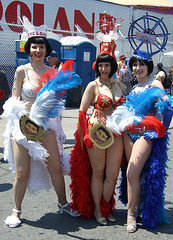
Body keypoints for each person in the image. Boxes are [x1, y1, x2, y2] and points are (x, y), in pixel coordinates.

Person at [3, 16, 80, 228]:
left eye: (42, 47)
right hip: (23, 128)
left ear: (46, 50)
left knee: (55, 167)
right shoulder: (21, 71)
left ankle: (63, 203)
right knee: (22, 172)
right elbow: (14, 99)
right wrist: (16, 123)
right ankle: (16, 210)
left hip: (46, 128)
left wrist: (60, 126)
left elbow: (57, 105)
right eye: (34, 47)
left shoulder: (53, 73)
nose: (38, 50)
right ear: (29, 49)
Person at [107, 51, 173, 232]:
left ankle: (130, 215)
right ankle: (136, 208)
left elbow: (167, 107)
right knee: (136, 174)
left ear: (149, 66)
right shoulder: (136, 85)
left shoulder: (155, 83)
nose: (137, 68)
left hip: (145, 135)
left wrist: (160, 129)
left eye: (141, 64)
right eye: (135, 65)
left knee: (132, 172)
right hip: (129, 134)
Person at [69, 53, 126, 225]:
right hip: (98, 134)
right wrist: (85, 134)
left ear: (113, 66)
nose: (103, 69)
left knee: (113, 173)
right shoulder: (93, 86)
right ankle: (97, 209)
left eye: (107, 65)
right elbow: (81, 111)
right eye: (100, 65)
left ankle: (105, 206)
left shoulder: (121, 86)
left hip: (116, 134)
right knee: (98, 173)